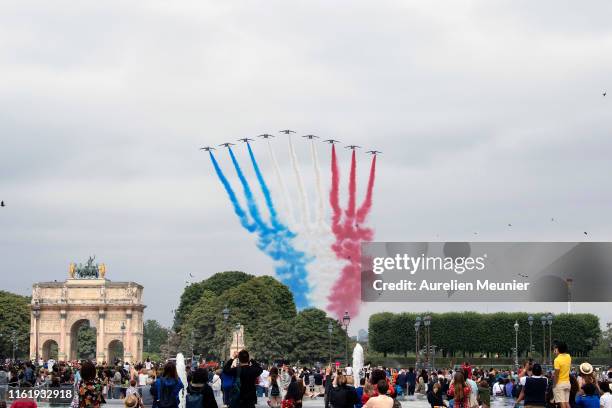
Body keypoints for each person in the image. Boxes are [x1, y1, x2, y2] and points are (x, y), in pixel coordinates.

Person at [553, 342, 572, 408]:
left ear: (558, 349)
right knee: (567, 403)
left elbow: (556, 374)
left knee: (562, 404)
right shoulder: (568, 357)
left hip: (560, 383)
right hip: (567, 383)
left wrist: (554, 385)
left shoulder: (557, 360)